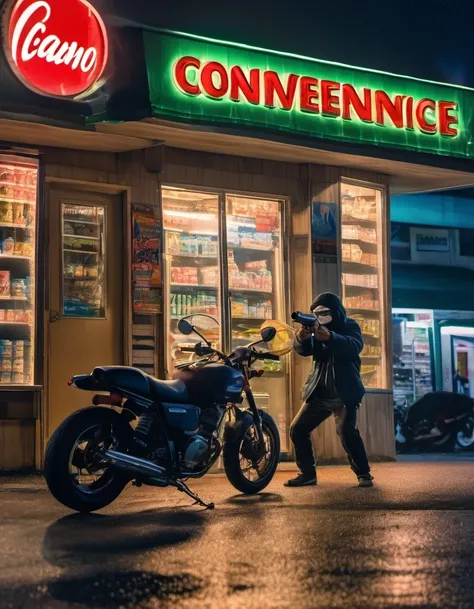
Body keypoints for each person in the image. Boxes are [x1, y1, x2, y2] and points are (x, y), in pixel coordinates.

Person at [285, 292, 374, 488]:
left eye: (325, 312)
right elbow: (303, 350)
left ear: (336, 311)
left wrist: (331, 337)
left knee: (346, 432)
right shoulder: (317, 329)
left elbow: (354, 346)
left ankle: (364, 474)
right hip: (320, 391)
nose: (322, 317)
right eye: (317, 313)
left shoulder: (350, 325)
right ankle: (307, 473)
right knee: (298, 429)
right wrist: (302, 337)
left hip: (345, 391)